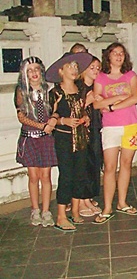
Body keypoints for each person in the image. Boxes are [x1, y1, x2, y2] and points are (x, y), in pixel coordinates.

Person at [93, 43, 137, 224]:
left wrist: (112, 106)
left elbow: (136, 97)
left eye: (122, 53)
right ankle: (107, 206)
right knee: (109, 167)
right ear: (108, 56)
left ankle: (122, 202)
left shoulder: (130, 76)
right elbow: (97, 104)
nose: (119, 56)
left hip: (131, 125)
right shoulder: (101, 77)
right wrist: (120, 98)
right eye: (115, 53)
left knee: (126, 164)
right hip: (110, 127)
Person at [46, 51, 93, 231]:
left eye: (76, 66)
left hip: (80, 137)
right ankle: (60, 216)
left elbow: (83, 111)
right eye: (70, 66)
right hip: (64, 138)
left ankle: (75, 211)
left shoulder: (80, 90)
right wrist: (63, 121)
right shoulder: (56, 92)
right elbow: (52, 116)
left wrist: (85, 119)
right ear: (61, 71)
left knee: (80, 174)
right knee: (66, 176)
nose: (74, 70)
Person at [15, 57, 58, 227]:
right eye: (29, 70)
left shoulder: (49, 91)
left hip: (46, 138)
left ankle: (46, 210)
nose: (33, 73)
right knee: (33, 176)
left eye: (36, 69)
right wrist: (41, 125)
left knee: (45, 176)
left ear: (41, 70)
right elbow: (21, 116)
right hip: (30, 137)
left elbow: (55, 111)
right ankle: (35, 209)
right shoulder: (21, 91)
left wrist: (52, 121)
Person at [77, 55, 103, 217]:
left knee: (94, 162)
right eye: (92, 67)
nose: (95, 71)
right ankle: (80, 201)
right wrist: (87, 101)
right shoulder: (78, 87)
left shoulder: (96, 86)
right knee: (83, 164)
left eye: (98, 68)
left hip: (95, 128)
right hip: (81, 131)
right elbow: (72, 108)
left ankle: (87, 198)